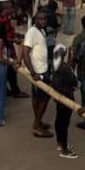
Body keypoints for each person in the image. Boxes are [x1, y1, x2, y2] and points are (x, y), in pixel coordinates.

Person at [23, 10, 52, 138]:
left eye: (45, 19)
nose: (43, 21)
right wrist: (32, 72)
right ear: (35, 20)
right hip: (38, 72)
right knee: (44, 98)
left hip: (43, 69)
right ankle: (37, 125)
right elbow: (25, 52)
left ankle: (38, 121)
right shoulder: (32, 33)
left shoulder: (41, 30)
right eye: (40, 19)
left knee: (37, 98)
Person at [51, 43, 78, 158]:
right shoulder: (65, 68)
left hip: (58, 98)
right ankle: (65, 150)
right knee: (64, 124)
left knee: (59, 120)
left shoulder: (54, 65)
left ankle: (60, 143)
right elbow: (74, 82)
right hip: (67, 98)